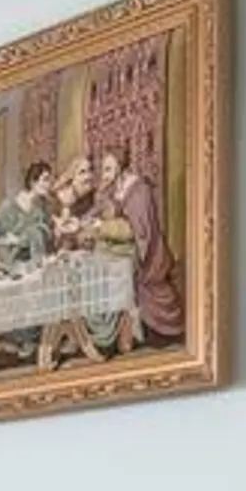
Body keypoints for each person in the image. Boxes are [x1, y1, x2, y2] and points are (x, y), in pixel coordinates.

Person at [98, 143, 184, 345]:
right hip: (129, 246)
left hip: (148, 251)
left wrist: (106, 227)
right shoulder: (116, 188)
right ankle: (118, 332)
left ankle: (148, 332)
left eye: (108, 168)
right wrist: (102, 196)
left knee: (122, 272)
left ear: (120, 166)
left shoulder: (138, 190)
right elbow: (105, 212)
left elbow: (141, 231)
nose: (104, 173)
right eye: (103, 169)